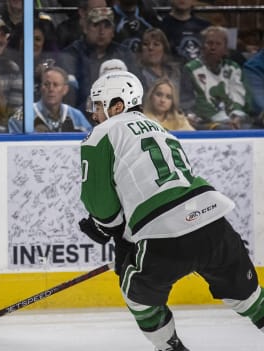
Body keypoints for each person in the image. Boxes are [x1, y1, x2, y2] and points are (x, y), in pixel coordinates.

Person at [79, 70, 264, 351]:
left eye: (98, 106)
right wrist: (122, 233)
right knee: (250, 298)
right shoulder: (162, 131)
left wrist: (109, 228)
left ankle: (169, 347)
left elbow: (100, 202)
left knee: (138, 296)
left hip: (164, 231)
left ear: (117, 106)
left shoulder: (102, 132)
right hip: (212, 218)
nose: (94, 115)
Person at [57, 6, 137, 112]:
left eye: (107, 26)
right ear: (85, 28)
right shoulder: (71, 55)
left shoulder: (124, 54)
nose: (101, 31)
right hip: (82, 117)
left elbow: (139, 89)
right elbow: (67, 98)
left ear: (113, 31)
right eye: (96, 25)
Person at [180, 26, 252, 130]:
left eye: (218, 44)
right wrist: (223, 120)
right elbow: (195, 102)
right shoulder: (191, 69)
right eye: (209, 43)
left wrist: (236, 116)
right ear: (202, 47)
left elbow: (240, 95)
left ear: (225, 49)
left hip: (235, 121)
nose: (213, 47)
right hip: (205, 121)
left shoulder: (233, 68)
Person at [137, 28, 182, 92]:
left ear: (164, 49)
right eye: (146, 44)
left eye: (156, 44)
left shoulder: (175, 72)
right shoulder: (137, 74)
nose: (150, 48)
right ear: (140, 50)